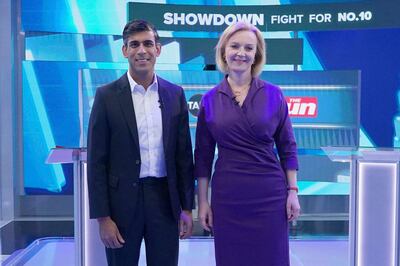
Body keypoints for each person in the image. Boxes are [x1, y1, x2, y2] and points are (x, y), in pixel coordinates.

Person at [87, 19, 194, 266]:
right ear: (125, 51)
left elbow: (183, 156)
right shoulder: (106, 96)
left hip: (164, 201)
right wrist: (103, 218)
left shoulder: (175, 94)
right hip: (121, 204)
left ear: (158, 49)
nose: (141, 50)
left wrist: (187, 208)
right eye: (134, 44)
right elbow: (96, 162)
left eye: (148, 43)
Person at [194, 21, 300, 266]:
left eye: (249, 48)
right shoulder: (210, 100)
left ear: (256, 55)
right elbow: (203, 157)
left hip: (269, 195)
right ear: (223, 51)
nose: (241, 53)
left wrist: (293, 192)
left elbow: (287, 147)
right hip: (228, 196)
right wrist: (203, 202)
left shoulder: (274, 94)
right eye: (235, 46)